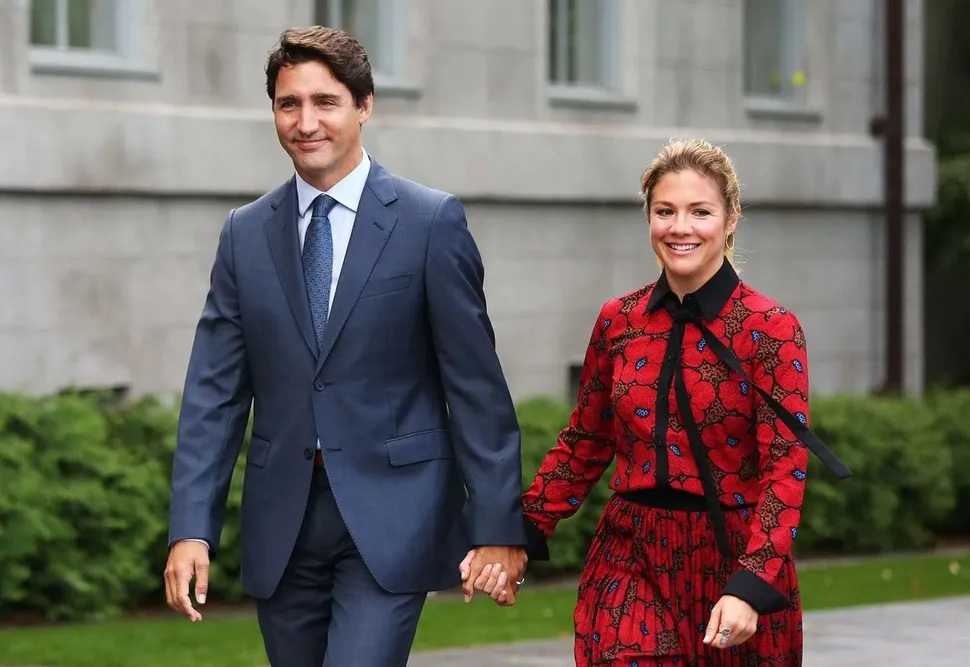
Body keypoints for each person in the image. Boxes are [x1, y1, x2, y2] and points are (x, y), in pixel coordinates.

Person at [163, 26, 528, 667]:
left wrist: (497, 526)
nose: (306, 122)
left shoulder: (429, 222)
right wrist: (192, 526)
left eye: (325, 101)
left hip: (394, 518)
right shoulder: (244, 234)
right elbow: (214, 393)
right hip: (283, 525)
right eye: (288, 104)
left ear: (364, 105)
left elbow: (475, 387)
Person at [466, 138, 851, 665]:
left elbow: (785, 468)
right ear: (648, 217)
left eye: (700, 212)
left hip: (734, 557)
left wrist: (752, 583)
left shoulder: (771, 329)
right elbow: (585, 442)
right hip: (632, 551)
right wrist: (519, 533)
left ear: (731, 218)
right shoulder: (618, 321)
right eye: (665, 211)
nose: (680, 227)